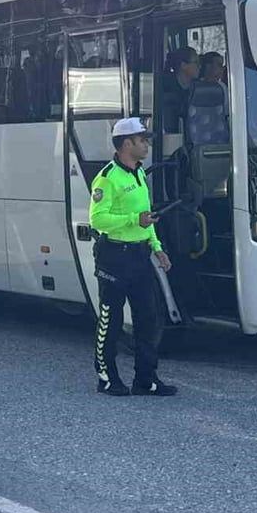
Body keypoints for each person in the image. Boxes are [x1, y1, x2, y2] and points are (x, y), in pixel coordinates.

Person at [90, 117, 176, 397]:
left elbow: (146, 218)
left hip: (140, 255)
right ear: (127, 144)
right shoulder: (107, 178)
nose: (147, 145)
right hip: (114, 255)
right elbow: (98, 219)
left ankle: (146, 379)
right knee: (111, 320)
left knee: (148, 319)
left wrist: (157, 247)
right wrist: (132, 220)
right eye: (143, 140)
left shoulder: (139, 173)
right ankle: (106, 378)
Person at [158, 47, 199, 134]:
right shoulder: (165, 87)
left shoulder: (199, 88)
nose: (199, 66)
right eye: (196, 62)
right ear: (183, 65)